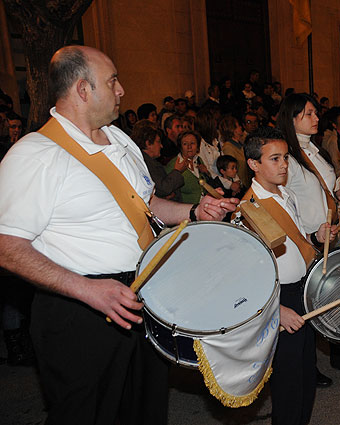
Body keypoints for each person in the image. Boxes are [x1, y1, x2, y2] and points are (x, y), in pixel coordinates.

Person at [0, 45, 238, 425]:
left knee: (144, 408)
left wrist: (193, 212)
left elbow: (146, 203)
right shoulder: (34, 155)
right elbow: (7, 247)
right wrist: (87, 289)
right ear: (83, 89)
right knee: (87, 413)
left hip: (141, 294)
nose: (122, 90)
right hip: (78, 308)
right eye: (112, 81)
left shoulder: (120, 140)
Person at [241, 127, 336, 425]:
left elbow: (293, 239)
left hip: (302, 290)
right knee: (287, 381)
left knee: (306, 373)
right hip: (278, 299)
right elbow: (245, 275)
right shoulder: (248, 210)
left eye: (285, 157)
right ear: (254, 164)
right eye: (274, 159)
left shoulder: (286, 194)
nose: (283, 165)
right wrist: (277, 310)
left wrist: (315, 235)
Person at [276, 93, 340, 385]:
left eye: (315, 113)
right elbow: (288, 202)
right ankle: (309, 366)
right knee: (310, 303)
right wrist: (308, 234)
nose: (316, 118)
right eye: (308, 113)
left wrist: (338, 195)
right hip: (308, 239)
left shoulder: (316, 151)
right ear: (291, 118)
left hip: (326, 234)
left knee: (330, 296)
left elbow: (321, 190)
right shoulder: (289, 159)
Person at [131, 119, 186, 201]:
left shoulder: (149, 161)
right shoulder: (145, 163)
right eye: (158, 142)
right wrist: (177, 171)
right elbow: (163, 189)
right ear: (148, 144)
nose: (161, 146)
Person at [165, 130, 215, 204]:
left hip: (203, 206)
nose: (189, 147)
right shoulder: (173, 165)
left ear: (198, 147)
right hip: (185, 209)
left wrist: (206, 173)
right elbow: (168, 192)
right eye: (185, 144)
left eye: (192, 143)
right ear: (180, 147)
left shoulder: (199, 160)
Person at [219, 115, 251, 187]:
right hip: (239, 186)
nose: (241, 127)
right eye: (238, 126)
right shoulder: (228, 147)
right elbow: (231, 170)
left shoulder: (240, 145)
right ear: (233, 130)